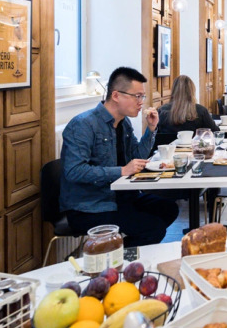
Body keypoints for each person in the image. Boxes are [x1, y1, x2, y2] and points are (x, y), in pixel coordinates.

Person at [59, 66, 178, 247]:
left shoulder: (124, 122)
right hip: (91, 206)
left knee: (169, 209)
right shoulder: (83, 125)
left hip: (122, 198)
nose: (141, 102)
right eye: (137, 96)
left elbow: (136, 156)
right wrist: (121, 171)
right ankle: (113, 256)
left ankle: (117, 250)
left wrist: (151, 129)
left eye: (142, 97)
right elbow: (74, 171)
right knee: (153, 228)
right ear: (116, 95)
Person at [156, 74, 219, 141]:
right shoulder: (201, 111)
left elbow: (155, 136)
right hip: (194, 147)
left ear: (173, 91)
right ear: (192, 91)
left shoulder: (161, 111)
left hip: (167, 147)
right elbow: (216, 132)